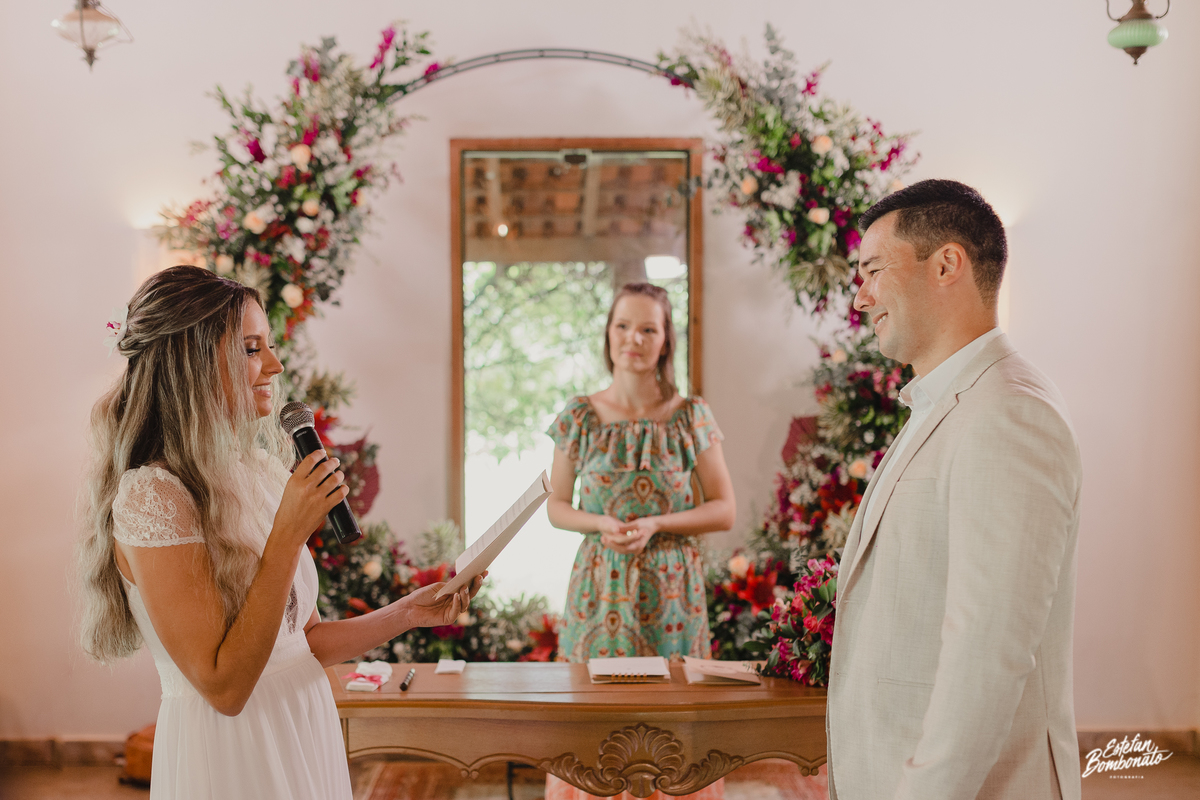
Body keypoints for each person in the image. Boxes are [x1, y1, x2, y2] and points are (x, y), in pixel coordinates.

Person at [77, 265, 483, 800]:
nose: (275, 364)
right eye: (251, 349)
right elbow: (224, 687)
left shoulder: (259, 473)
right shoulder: (155, 495)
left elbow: (302, 643)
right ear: (191, 363)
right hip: (232, 751)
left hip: (301, 725)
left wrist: (408, 612)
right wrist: (288, 535)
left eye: (269, 346)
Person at [826, 180, 1082, 799]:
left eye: (873, 271)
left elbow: (987, 653)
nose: (860, 297)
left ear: (946, 264)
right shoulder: (943, 404)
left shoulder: (1009, 413)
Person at [543, 282, 736, 800]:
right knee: (595, 724)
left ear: (665, 339)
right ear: (608, 334)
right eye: (623, 326)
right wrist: (599, 523)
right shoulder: (578, 416)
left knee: (673, 725)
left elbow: (724, 508)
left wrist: (657, 524)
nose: (634, 338)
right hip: (599, 589)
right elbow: (556, 507)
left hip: (673, 594)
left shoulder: (691, 414)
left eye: (648, 328)